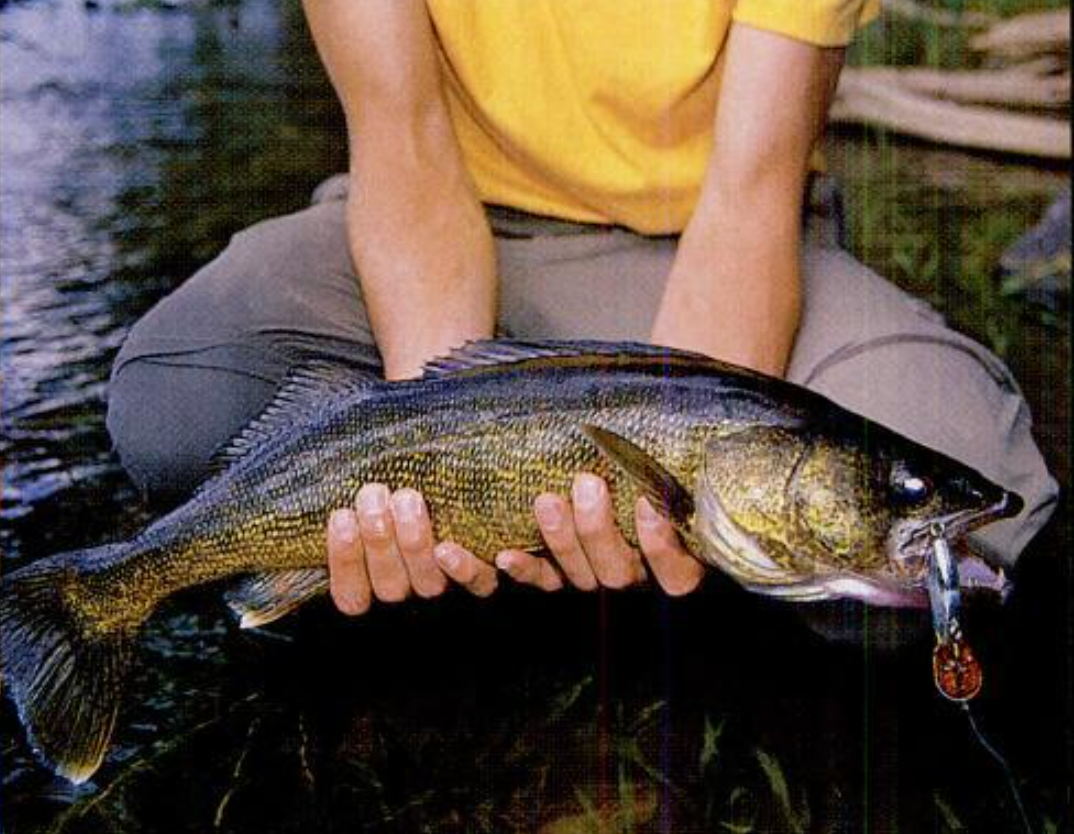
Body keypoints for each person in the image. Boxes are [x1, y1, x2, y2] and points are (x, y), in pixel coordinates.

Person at [106, 0, 1057, 623]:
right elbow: (404, 143)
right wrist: (432, 481)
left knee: (978, 533)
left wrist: (665, 522)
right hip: (457, 220)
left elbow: (751, 197)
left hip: (709, 243)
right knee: (175, 403)